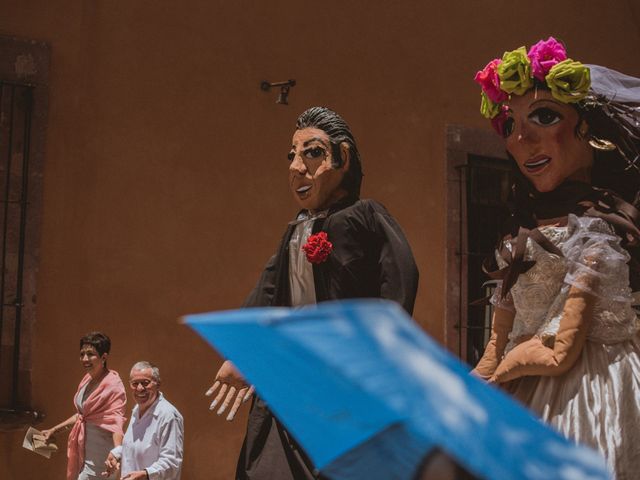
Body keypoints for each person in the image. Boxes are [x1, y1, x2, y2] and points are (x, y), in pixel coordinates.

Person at [205, 106, 419, 479]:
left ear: (343, 157)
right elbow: (267, 293)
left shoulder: (365, 216)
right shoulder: (293, 233)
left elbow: (399, 277)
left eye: (312, 152)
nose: (296, 167)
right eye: (292, 155)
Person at [471, 37, 640, 479]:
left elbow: (560, 350)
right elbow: (498, 339)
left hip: (588, 393)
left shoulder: (597, 231)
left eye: (543, 117)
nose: (522, 139)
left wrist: (500, 374)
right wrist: (468, 386)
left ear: (590, 133)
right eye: (510, 125)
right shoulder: (521, 233)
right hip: (522, 387)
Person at [42, 332, 127, 480]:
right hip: (83, 457)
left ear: (104, 357)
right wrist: (54, 430)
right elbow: (82, 415)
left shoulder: (114, 385)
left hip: (102, 461)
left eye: (90, 354)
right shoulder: (87, 380)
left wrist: (117, 451)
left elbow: (116, 420)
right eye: (82, 354)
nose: (85, 359)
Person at [103, 361, 184, 480]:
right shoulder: (136, 410)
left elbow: (172, 462)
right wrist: (116, 454)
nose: (140, 388)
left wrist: (145, 474)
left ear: (158, 384)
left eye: (145, 383)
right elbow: (136, 446)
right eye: (135, 383)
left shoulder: (169, 416)